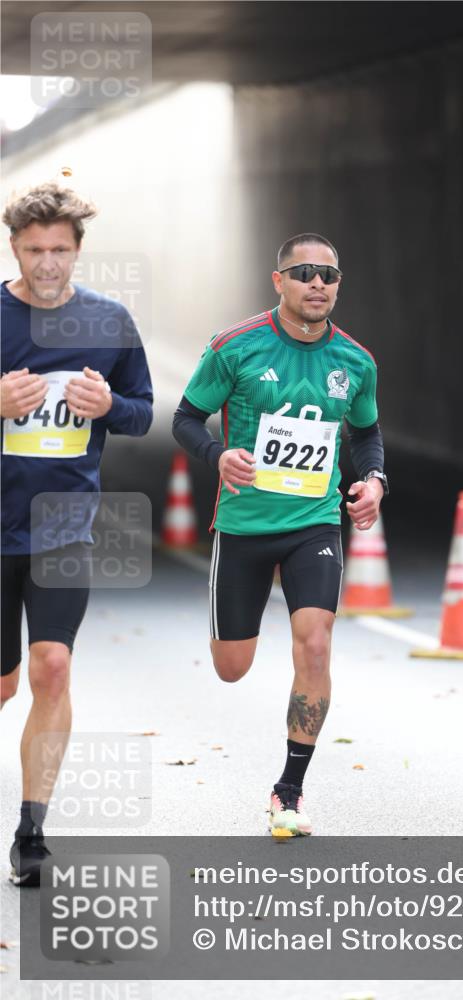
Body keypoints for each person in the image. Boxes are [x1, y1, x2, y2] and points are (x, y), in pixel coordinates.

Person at [173, 233, 387, 837]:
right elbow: (185, 418)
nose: (318, 283)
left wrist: (373, 480)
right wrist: (216, 455)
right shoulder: (234, 347)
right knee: (232, 667)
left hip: (313, 523)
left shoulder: (356, 361)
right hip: (243, 525)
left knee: (315, 644)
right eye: (304, 273)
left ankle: (288, 791)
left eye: (329, 274)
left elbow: (366, 435)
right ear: (280, 282)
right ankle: (234, 624)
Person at [1, 180, 154, 884]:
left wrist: (108, 403)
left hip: (63, 526)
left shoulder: (110, 321)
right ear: (14, 248)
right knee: (3, 686)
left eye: (60, 250)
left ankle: (32, 834)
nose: (47, 263)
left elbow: (143, 414)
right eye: (34, 250)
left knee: (52, 667)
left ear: (79, 250)